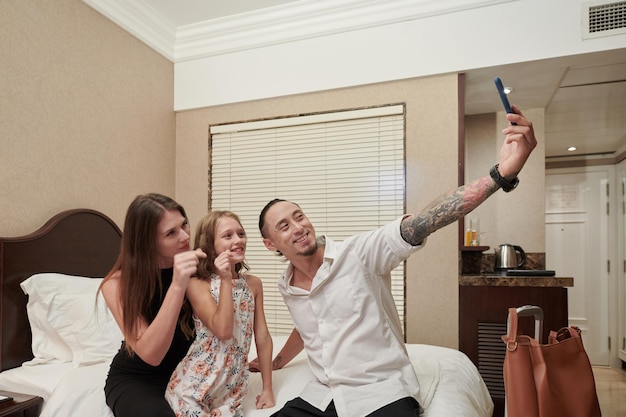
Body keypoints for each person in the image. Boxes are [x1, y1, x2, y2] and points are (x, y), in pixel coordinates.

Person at [255, 105, 538, 417]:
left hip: (381, 393)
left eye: (299, 216)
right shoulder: (287, 286)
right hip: (322, 396)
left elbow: (425, 221)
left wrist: (501, 174)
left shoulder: (359, 253)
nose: (298, 227)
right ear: (270, 245)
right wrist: (279, 361)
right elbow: (309, 324)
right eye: (284, 226)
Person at [100, 193, 207, 417]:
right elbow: (151, 355)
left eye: (184, 224)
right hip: (139, 379)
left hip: (190, 373)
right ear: (147, 241)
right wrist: (178, 284)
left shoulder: (197, 268)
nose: (185, 236)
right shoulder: (116, 284)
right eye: (171, 233)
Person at [165, 210, 275, 416]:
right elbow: (223, 331)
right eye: (228, 236)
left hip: (231, 390)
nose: (238, 240)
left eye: (241, 234)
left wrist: (267, 388)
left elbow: (263, 337)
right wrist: (225, 279)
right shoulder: (197, 283)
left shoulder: (253, 284)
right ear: (209, 244)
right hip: (195, 385)